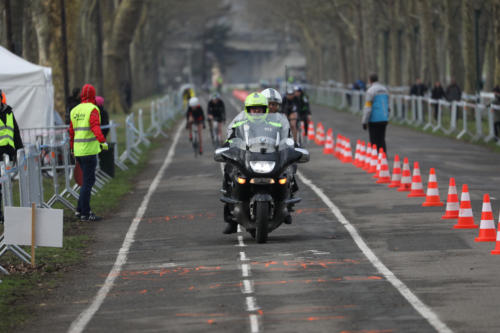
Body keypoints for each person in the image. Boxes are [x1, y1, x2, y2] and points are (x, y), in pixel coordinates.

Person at [221, 92, 291, 233]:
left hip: (268, 155)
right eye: (254, 109)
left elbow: (286, 135)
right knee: (230, 169)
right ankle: (231, 219)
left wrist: (289, 145)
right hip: (247, 155)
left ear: (264, 110)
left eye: (259, 109)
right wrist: (229, 144)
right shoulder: (240, 118)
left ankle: (285, 204)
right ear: (248, 109)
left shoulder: (277, 120)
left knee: (287, 171)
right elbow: (231, 132)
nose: (256, 112)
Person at [69, 84, 108, 222]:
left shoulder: (75, 110)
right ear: (92, 95)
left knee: (85, 181)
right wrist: (103, 142)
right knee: (88, 182)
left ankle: (80, 210)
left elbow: (72, 132)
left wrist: (72, 149)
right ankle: (86, 212)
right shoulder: (93, 109)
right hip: (89, 151)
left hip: (78, 151)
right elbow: (95, 127)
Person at [0, 90, 24, 223]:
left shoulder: (8, 112)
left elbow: (15, 131)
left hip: (8, 153)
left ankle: (7, 213)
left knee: (6, 185)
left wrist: (19, 150)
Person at [362, 73, 389, 154]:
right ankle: (383, 158)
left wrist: (364, 121)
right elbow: (388, 105)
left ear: (370, 80)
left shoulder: (370, 91)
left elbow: (368, 108)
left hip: (374, 119)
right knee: (382, 139)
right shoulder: (385, 89)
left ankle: (376, 158)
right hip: (384, 118)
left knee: (374, 140)